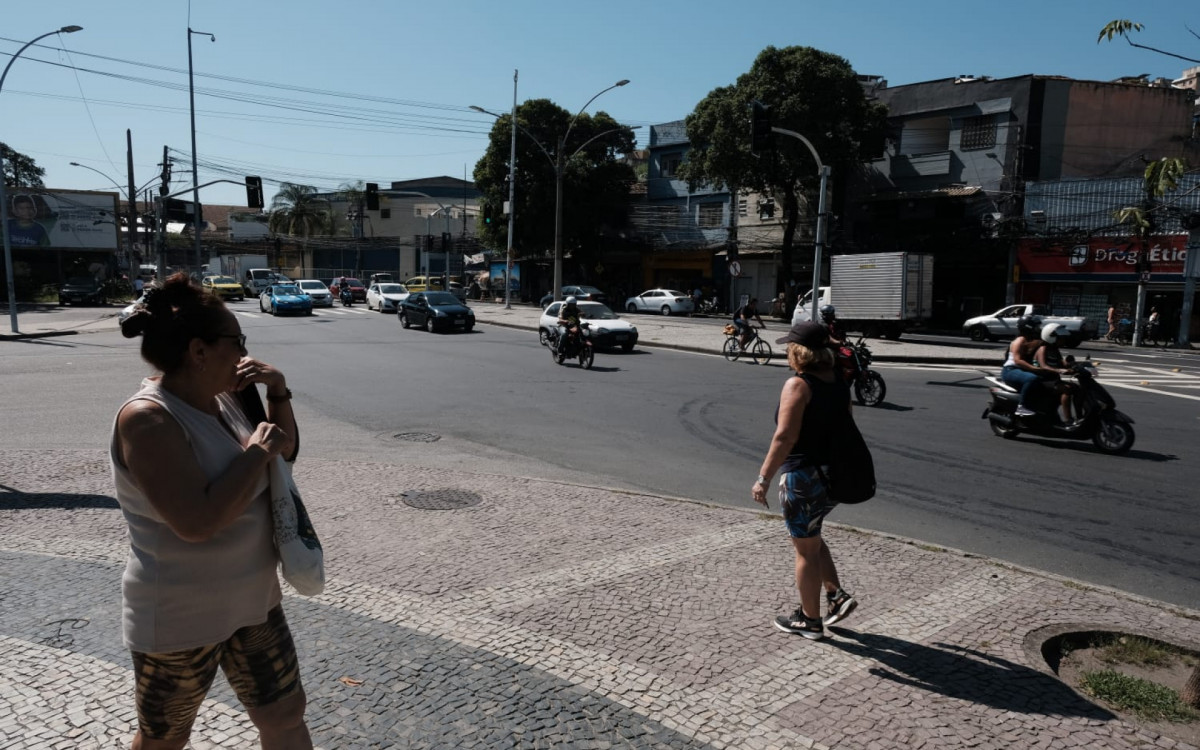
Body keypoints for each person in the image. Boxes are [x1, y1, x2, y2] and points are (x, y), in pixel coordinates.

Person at [113, 273, 312, 749]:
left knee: (285, 715)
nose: (244, 353)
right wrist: (255, 453)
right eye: (236, 342)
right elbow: (196, 522)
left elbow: (283, 452)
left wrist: (277, 390)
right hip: (181, 613)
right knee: (165, 739)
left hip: (254, 601)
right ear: (199, 351)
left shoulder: (225, 399)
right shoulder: (148, 418)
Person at [752, 321, 858, 640]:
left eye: (789, 348)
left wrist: (763, 478)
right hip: (832, 475)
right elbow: (847, 428)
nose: (787, 352)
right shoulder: (839, 383)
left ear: (798, 352)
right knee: (811, 537)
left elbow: (784, 436)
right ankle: (835, 594)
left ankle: (810, 621)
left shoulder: (798, 385)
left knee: (805, 550)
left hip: (803, 477)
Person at [1001, 315, 1058, 417]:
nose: (1038, 329)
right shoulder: (1019, 340)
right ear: (1028, 327)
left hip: (1021, 370)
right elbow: (1018, 361)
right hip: (1011, 370)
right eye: (1036, 326)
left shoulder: (1032, 340)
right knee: (1031, 378)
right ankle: (1021, 406)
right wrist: (1035, 369)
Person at [1035, 323, 1076, 424]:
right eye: (1060, 338)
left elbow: (1062, 363)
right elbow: (1043, 366)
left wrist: (1072, 365)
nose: (1063, 340)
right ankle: (1068, 420)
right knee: (1067, 389)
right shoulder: (1043, 349)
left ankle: (1079, 415)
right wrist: (1059, 370)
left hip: (1053, 380)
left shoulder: (1055, 350)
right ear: (1051, 337)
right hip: (1043, 380)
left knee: (1077, 388)